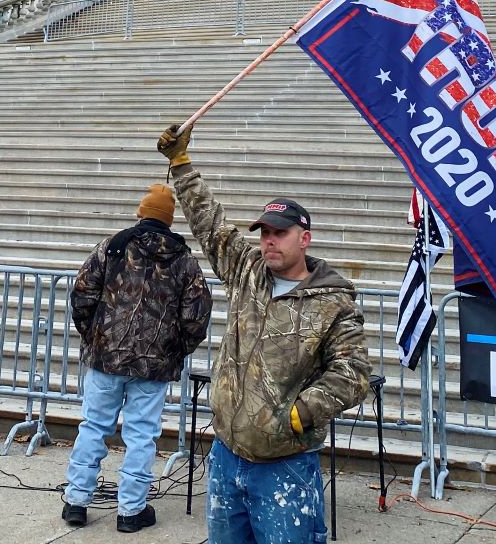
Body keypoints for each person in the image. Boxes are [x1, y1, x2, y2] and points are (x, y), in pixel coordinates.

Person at [157, 123, 372, 544]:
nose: (269, 242)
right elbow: (210, 225)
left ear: (304, 238)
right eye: (265, 233)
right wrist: (181, 165)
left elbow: (353, 372)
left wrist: (302, 412)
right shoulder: (247, 271)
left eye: (280, 233)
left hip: (285, 465)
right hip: (226, 455)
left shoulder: (333, 301)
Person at [61, 183, 212, 534]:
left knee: (93, 427)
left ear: (141, 213)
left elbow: (82, 292)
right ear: (169, 221)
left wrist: (94, 336)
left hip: (106, 357)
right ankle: (131, 510)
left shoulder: (113, 245)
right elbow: (197, 315)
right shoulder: (184, 260)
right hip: (153, 366)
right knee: (142, 435)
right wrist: (177, 349)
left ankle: (76, 501)